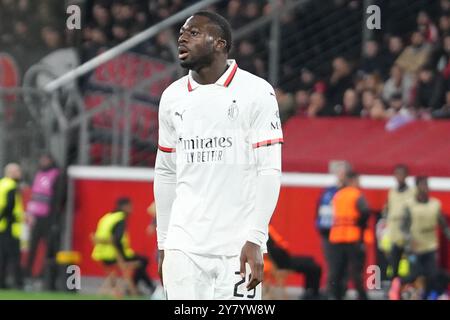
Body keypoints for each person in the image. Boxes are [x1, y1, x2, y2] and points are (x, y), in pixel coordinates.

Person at [154, 11, 282, 300]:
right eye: (182, 33)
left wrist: (256, 238)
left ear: (220, 44)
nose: (182, 37)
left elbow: (269, 170)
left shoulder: (256, 92)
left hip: (237, 247)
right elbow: (165, 172)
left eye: (194, 33)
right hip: (183, 245)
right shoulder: (172, 97)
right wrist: (164, 243)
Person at [389, 177, 450, 300]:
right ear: (416, 188)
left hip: (430, 245)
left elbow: (443, 225)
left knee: (432, 275)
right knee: (414, 275)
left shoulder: (434, 204)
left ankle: (428, 296)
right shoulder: (410, 205)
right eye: (422, 186)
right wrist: (408, 241)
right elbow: (403, 226)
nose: (425, 188)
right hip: (414, 247)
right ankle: (397, 285)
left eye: (426, 186)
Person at [92, 197, 156, 296]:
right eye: (130, 206)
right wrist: (122, 259)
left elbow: (101, 237)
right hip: (114, 256)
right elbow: (116, 240)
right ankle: (142, 288)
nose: (132, 209)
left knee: (141, 260)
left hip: (101, 255)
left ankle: (140, 287)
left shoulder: (107, 217)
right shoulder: (120, 218)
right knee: (143, 261)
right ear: (125, 207)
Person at [24, 154, 65, 289]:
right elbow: (34, 196)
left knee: (50, 249)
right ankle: (28, 275)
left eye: (46, 160)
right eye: (42, 159)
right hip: (36, 217)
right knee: (32, 247)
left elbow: (59, 198)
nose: (43, 162)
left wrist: (55, 219)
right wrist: (30, 214)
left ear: (51, 161)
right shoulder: (39, 174)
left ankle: (46, 278)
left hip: (49, 218)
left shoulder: (57, 175)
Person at [328, 171, 370, 300]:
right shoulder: (356, 195)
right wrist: (360, 225)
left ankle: (336, 295)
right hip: (352, 237)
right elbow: (365, 212)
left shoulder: (337, 195)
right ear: (353, 181)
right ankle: (362, 297)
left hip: (336, 238)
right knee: (356, 272)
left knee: (336, 271)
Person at [315, 161, 350, 296]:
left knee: (343, 265)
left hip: (342, 233)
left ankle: (339, 291)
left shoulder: (348, 191)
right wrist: (319, 225)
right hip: (328, 232)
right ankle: (332, 292)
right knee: (333, 265)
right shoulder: (328, 191)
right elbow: (320, 210)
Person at [267, 225, 322, 300]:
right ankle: (312, 293)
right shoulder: (268, 233)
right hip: (284, 264)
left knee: (311, 260)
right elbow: (278, 251)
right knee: (315, 267)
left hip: (285, 260)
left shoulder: (268, 233)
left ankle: (309, 292)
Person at [384, 165, 415, 281]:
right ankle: (394, 290)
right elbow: (388, 210)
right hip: (394, 234)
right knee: (394, 263)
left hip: (409, 233)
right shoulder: (392, 192)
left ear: (406, 176)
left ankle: (410, 290)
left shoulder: (412, 192)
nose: (399, 177)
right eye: (397, 174)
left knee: (411, 265)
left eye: (402, 174)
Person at [0, 163, 25, 289]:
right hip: (9, 226)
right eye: (18, 171)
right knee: (14, 255)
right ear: (12, 173)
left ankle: (2, 282)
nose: (20, 173)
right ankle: (18, 282)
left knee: (3, 255)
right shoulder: (11, 186)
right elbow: (9, 206)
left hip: (2, 226)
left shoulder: (2, 184)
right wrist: (14, 218)